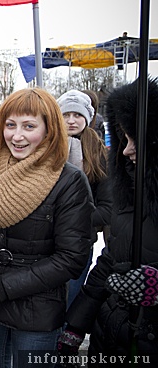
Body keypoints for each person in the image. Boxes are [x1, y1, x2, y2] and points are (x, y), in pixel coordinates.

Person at [0, 88, 93, 368]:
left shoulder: (68, 180)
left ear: (49, 130)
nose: (17, 136)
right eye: (10, 125)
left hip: (38, 308)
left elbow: (71, 258)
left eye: (29, 126)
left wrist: (4, 286)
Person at [58, 78, 158, 366]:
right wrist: (76, 326)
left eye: (135, 138)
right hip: (113, 335)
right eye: (123, 139)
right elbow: (110, 262)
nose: (127, 150)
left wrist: (74, 219)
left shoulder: (99, 156)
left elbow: (102, 208)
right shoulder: (132, 192)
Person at [56, 90, 111, 307]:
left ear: (87, 118)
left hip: (80, 241)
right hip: (45, 242)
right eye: (66, 115)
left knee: (69, 301)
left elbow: (107, 207)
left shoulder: (98, 153)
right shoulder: (46, 147)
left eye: (77, 115)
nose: (71, 121)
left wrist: (73, 220)